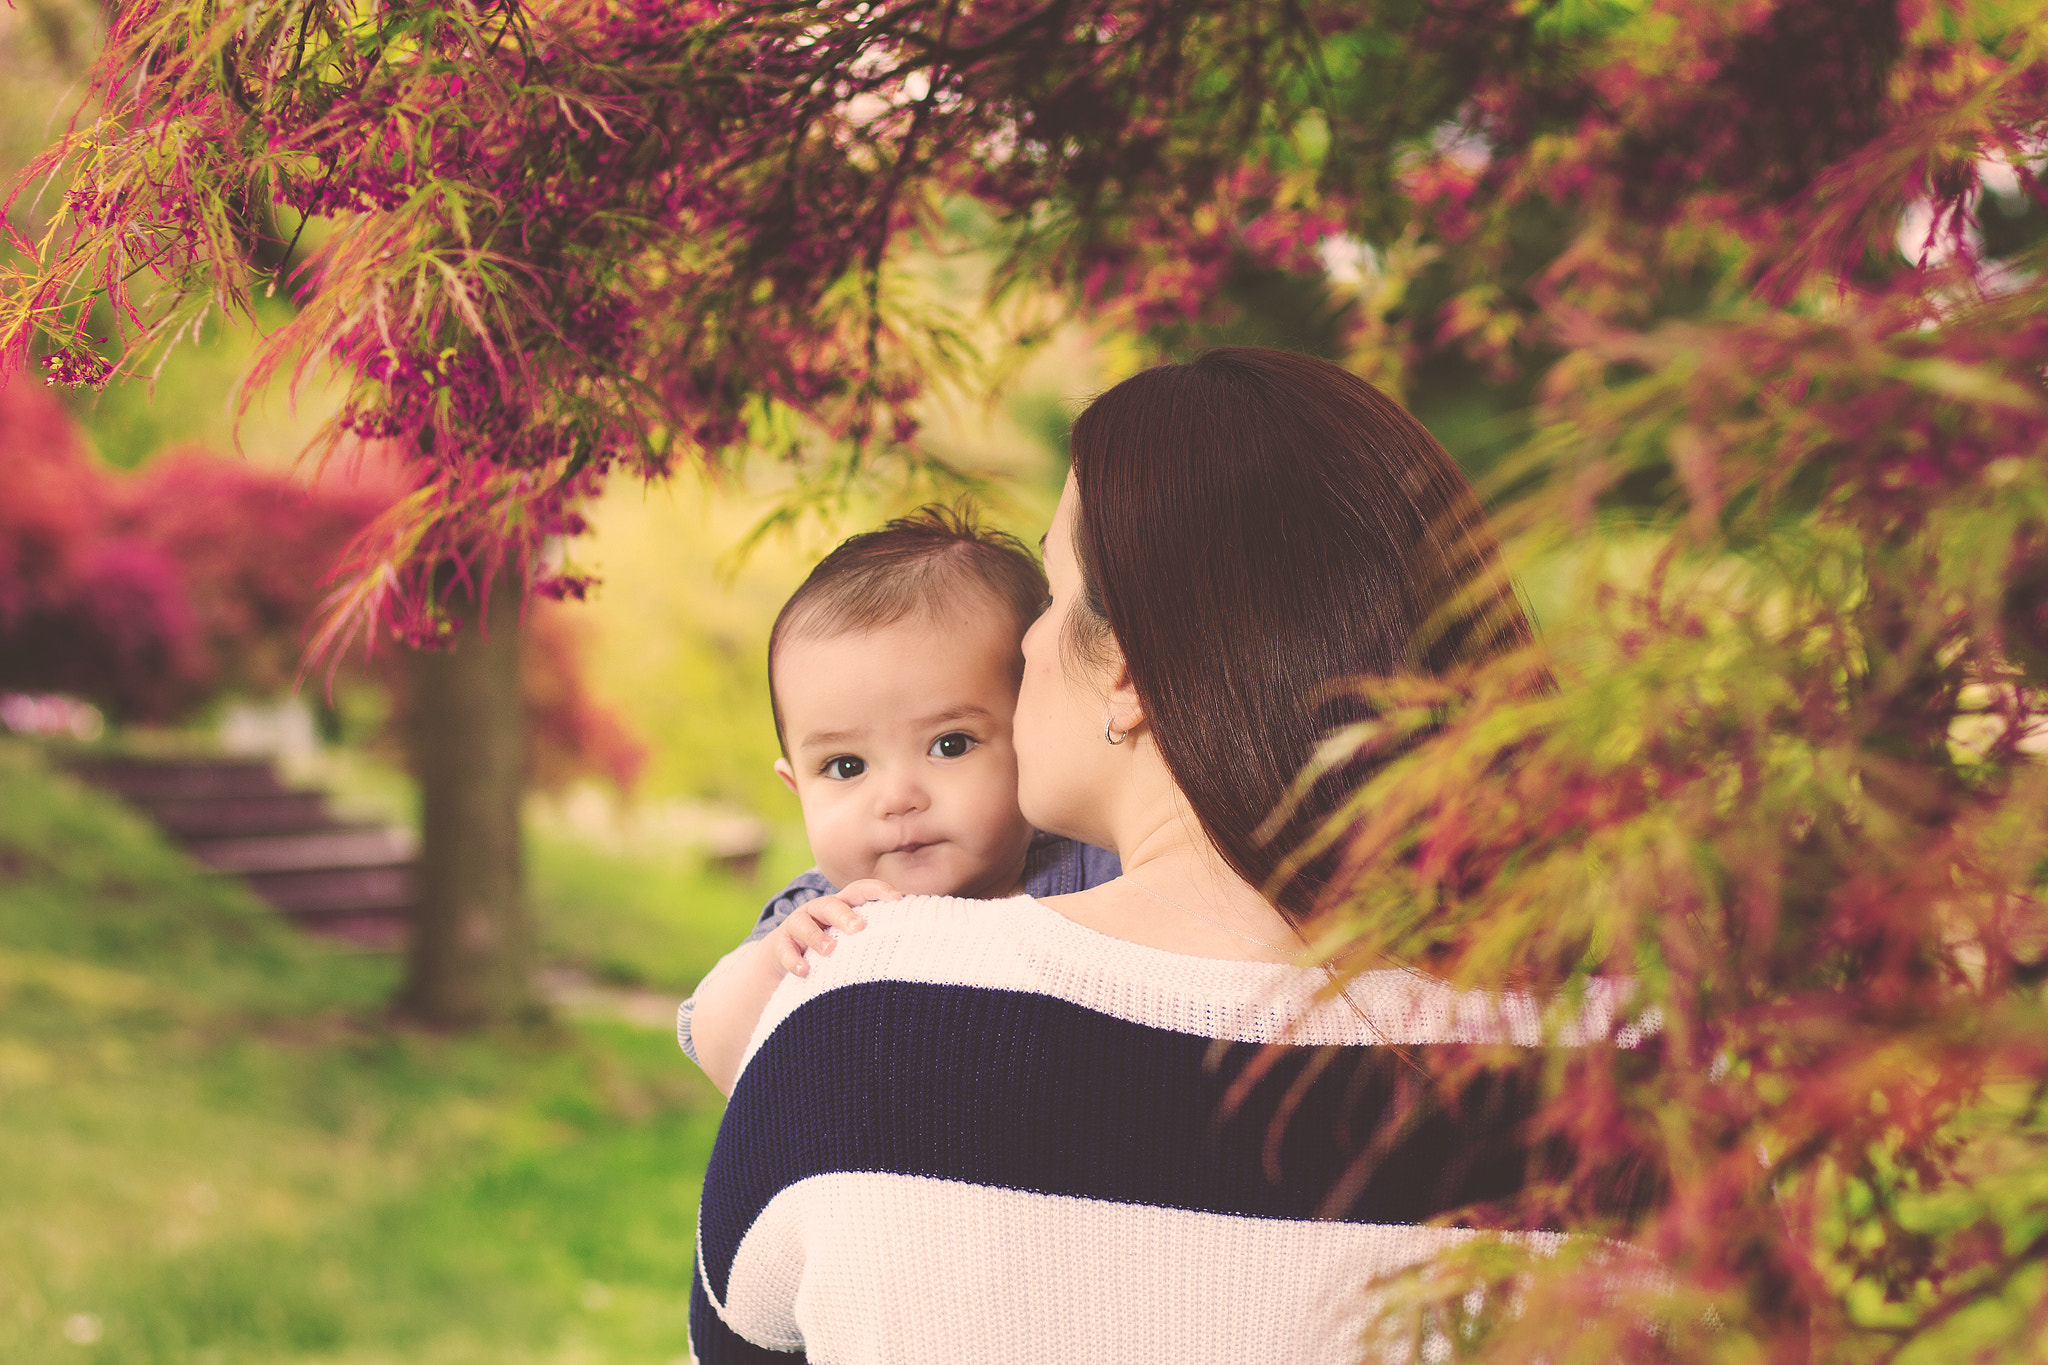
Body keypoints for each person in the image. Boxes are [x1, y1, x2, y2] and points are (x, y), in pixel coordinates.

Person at [689, 348, 1643, 1364]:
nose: (1021, 652)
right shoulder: (1644, 1078)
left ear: (1131, 673)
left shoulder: (860, 1021)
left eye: (1049, 601)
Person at [680, 504, 1120, 1091]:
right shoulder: (822, 919)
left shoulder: (1097, 868)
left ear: (1032, 730)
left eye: (950, 744)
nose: (897, 798)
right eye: (845, 766)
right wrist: (770, 968)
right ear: (796, 787)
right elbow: (722, 1051)